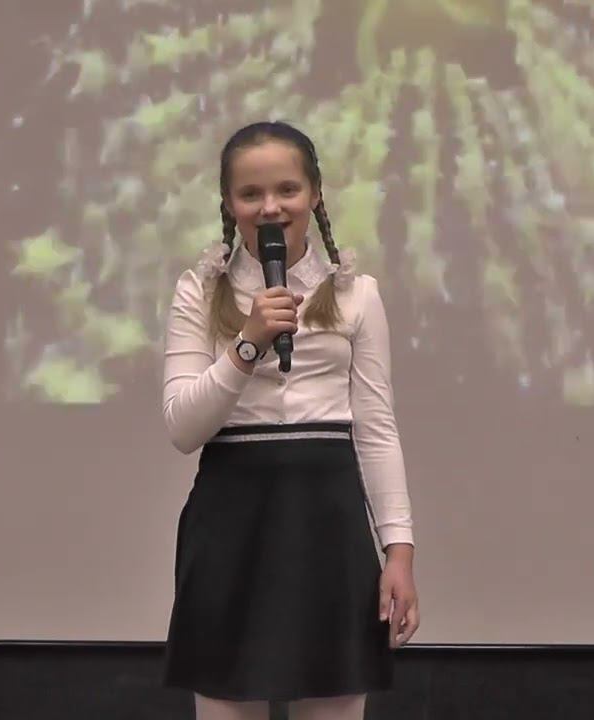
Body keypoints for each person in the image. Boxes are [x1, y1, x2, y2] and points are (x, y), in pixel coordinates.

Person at [160, 120, 420, 720]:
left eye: (287, 190)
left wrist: (399, 552)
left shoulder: (355, 294)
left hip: (328, 523)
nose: (270, 208)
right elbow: (182, 427)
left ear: (315, 194)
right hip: (231, 524)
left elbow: (377, 429)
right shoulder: (199, 291)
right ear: (229, 204)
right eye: (250, 194)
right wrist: (247, 345)